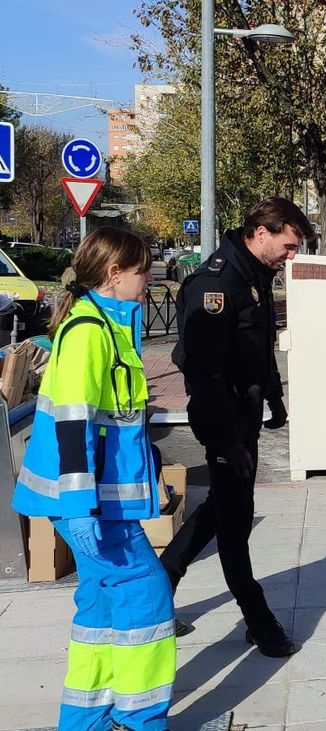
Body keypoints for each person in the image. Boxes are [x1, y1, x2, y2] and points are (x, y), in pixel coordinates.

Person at [11, 228, 175, 730]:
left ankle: (88, 720)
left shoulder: (105, 325)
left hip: (95, 502)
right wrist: (80, 507)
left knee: (103, 608)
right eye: (143, 270)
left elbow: (115, 426)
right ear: (114, 274)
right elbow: (74, 424)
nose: (149, 280)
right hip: (88, 504)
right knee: (146, 600)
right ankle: (139, 719)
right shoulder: (89, 332)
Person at [160, 197, 311, 657]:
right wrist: (227, 438)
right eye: (288, 245)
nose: (292, 255)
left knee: (226, 503)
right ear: (261, 232)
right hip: (221, 414)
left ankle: (161, 581)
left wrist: (275, 398)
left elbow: (257, 350)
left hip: (244, 412)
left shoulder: (255, 277)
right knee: (235, 518)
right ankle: (259, 620)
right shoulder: (218, 283)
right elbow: (202, 372)